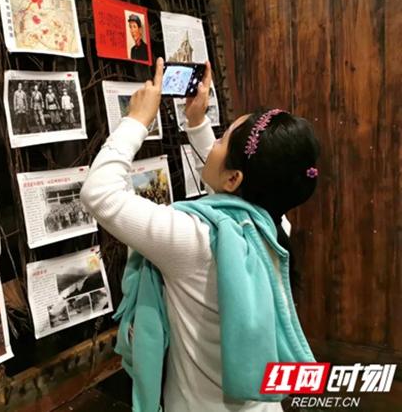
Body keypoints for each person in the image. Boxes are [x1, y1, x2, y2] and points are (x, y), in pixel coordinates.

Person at [80, 57, 320, 412]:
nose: (215, 143)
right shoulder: (273, 225)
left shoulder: (191, 239)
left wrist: (136, 120)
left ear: (234, 178)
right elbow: (232, 188)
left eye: (222, 139)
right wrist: (197, 121)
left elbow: (99, 193)